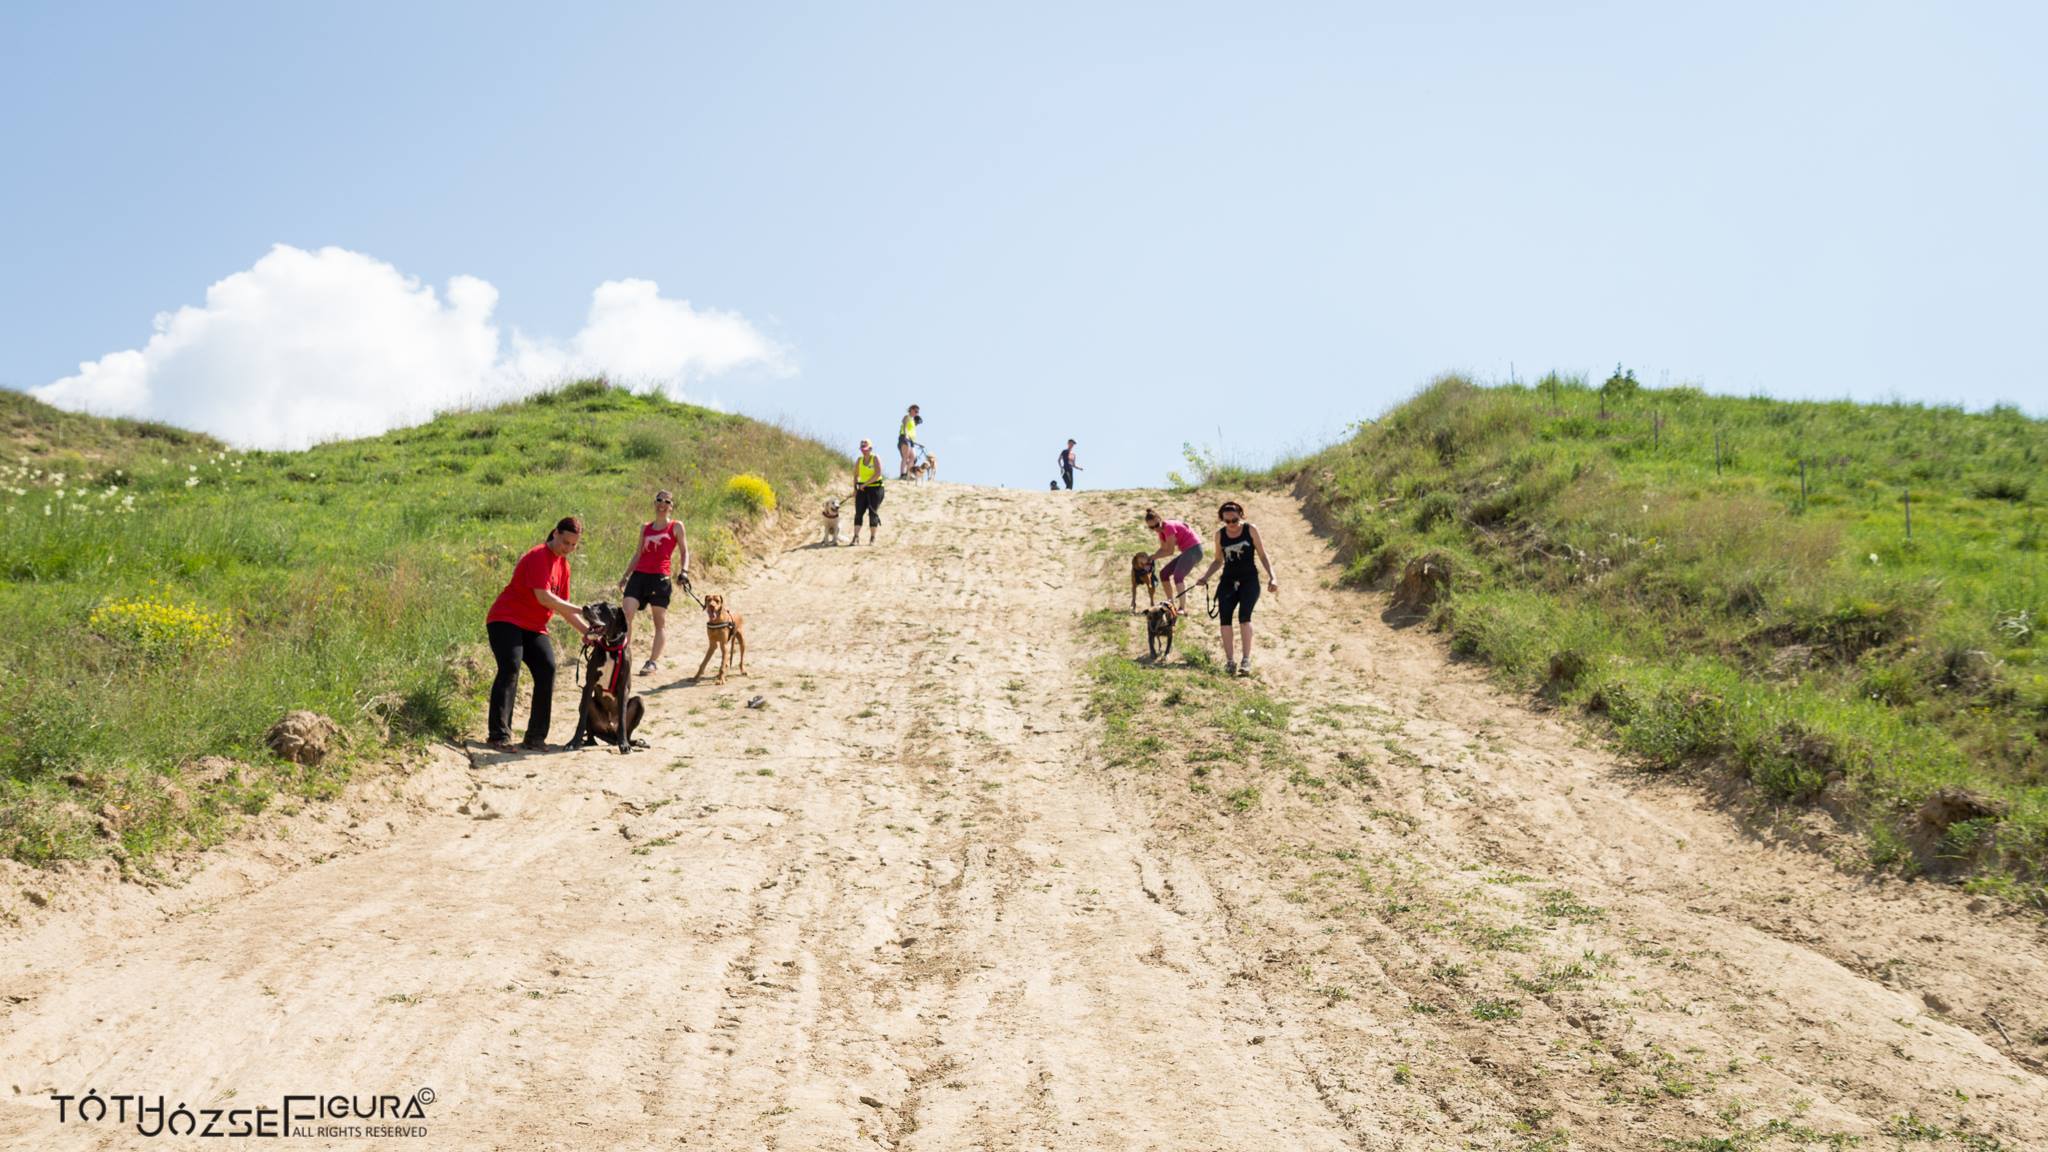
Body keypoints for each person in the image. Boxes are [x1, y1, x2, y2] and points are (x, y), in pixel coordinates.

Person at [485, 516, 591, 751]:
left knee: (547, 668)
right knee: (510, 667)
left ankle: (535, 737)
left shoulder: (564, 566)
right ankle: (498, 735)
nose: (569, 549)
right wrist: (581, 609)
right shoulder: (538, 556)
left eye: (574, 545)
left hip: (533, 627)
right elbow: (543, 597)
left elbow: (561, 606)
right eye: (566, 543)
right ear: (555, 533)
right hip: (506, 619)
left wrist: (588, 631)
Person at [1193, 500, 1278, 677]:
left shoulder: (1250, 530)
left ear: (1241, 515)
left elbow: (1262, 555)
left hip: (1249, 580)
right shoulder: (1220, 535)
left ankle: (1246, 660)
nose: (1231, 524)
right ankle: (1230, 661)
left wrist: (1272, 576)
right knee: (1224, 619)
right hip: (1228, 580)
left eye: (1234, 520)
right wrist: (1205, 576)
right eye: (1227, 521)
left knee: (1244, 617)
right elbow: (1218, 560)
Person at [617, 489, 688, 677]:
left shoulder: (676, 526)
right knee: (626, 613)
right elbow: (638, 553)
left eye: (667, 501)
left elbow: (684, 552)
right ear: (654, 503)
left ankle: (652, 662)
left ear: (671, 506)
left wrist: (684, 571)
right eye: (659, 500)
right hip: (639, 575)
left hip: (660, 578)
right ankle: (623, 656)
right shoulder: (645, 528)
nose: (662, 504)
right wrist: (625, 576)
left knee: (659, 622)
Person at [1144, 507, 1203, 609]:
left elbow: (1170, 551)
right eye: (1151, 528)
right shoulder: (1161, 532)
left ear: (1159, 519)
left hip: (1194, 550)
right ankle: (1170, 604)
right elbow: (1163, 549)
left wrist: (1152, 557)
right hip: (1187, 551)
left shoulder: (1168, 527)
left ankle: (1182, 608)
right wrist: (1151, 558)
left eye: (1156, 525)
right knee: (1164, 573)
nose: (1155, 529)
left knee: (1178, 576)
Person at [852, 438, 886, 545]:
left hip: (876, 488)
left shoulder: (875, 458)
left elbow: (878, 474)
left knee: (873, 513)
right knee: (858, 512)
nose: (864, 450)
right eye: (862, 448)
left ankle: (872, 538)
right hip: (862, 489)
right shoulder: (859, 460)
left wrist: (865, 484)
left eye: (866, 448)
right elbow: (856, 475)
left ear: (870, 448)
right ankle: (856, 537)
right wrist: (855, 489)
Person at [897, 404, 922, 479]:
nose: (917, 413)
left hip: (911, 441)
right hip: (905, 438)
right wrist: (905, 434)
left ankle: (908, 473)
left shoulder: (913, 420)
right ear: (911, 410)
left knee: (913, 457)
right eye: (915, 411)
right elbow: (905, 426)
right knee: (905, 456)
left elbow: (912, 432)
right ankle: (902, 474)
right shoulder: (907, 417)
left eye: (918, 412)